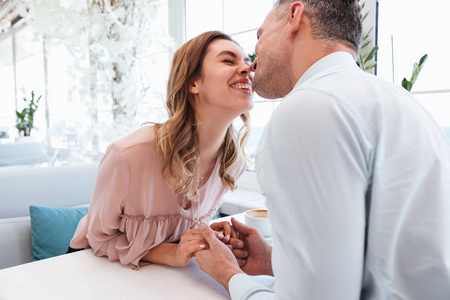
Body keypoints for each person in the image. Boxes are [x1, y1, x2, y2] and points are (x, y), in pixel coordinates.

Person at [195, 1, 450, 299]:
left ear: (294, 16)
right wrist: (269, 261)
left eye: (259, 37)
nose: (251, 62)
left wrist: (229, 275)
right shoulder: (400, 102)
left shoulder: (308, 110)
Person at [69, 31, 254, 270]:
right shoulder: (128, 155)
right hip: (88, 268)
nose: (247, 70)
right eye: (229, 61)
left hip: (158, 278)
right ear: (193, 83)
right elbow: (99, 238)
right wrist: (172, 254)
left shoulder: (232, 164)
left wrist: (203, 236)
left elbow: (177, 233)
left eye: (248, 63)